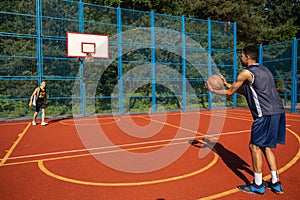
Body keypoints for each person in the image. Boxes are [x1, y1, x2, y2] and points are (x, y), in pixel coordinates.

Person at [206, 45, 286, 195]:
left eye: (242, 55)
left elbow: (230, 94)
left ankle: (258, 185)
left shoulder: (245, 73)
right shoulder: (265, 70)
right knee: (266, 147)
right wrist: (227, 83)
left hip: (264, 115)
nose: (240, 57)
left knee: (254, 147)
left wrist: (212, 90)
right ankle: (275, 183)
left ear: (247, 57)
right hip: (278, 112)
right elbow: (247, 91)